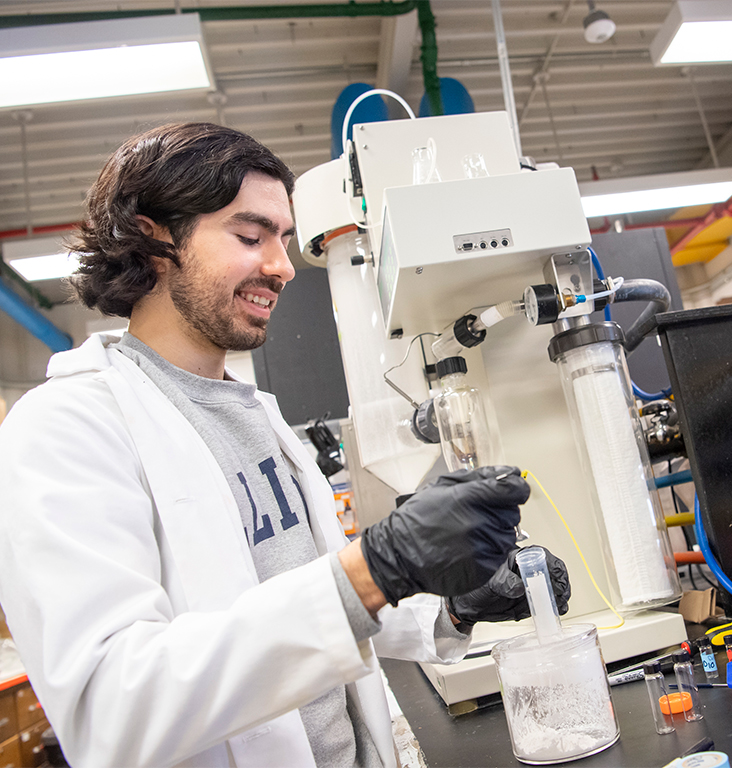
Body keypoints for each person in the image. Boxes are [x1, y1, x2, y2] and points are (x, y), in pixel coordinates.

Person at [0, 123, 570, 768]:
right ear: (151, 233)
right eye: (249, 236)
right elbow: (112, 709)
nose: (281, 266)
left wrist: (452, 609)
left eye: (284, 239)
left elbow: (302, 611)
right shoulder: (65, 427)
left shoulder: (257, 415)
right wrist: (376, 566)